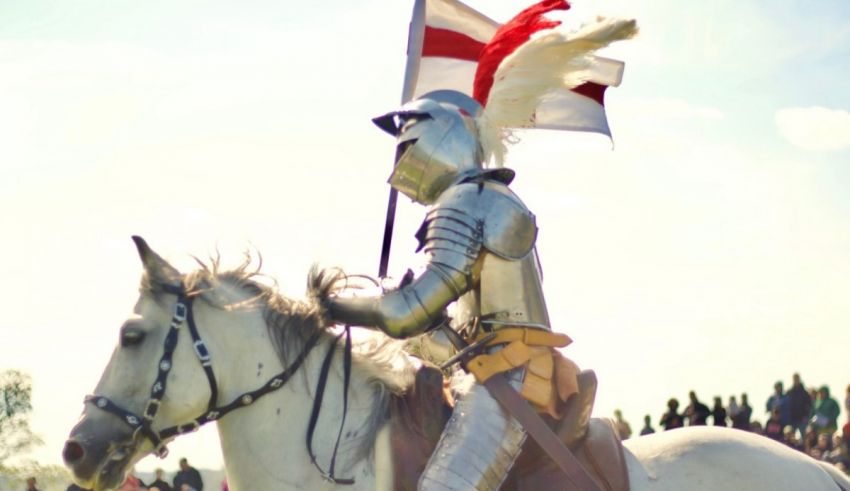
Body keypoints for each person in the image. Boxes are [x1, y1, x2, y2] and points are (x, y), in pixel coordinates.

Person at [787, 373, 812, 440]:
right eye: (794, 379)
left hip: (802, 420)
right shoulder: (789, 392)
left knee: (804, 437)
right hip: (792, 419)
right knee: (790, 438)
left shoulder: (805, 393)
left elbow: (809, 405)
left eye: (797, 379)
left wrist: (806, 416)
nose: (796, 380)